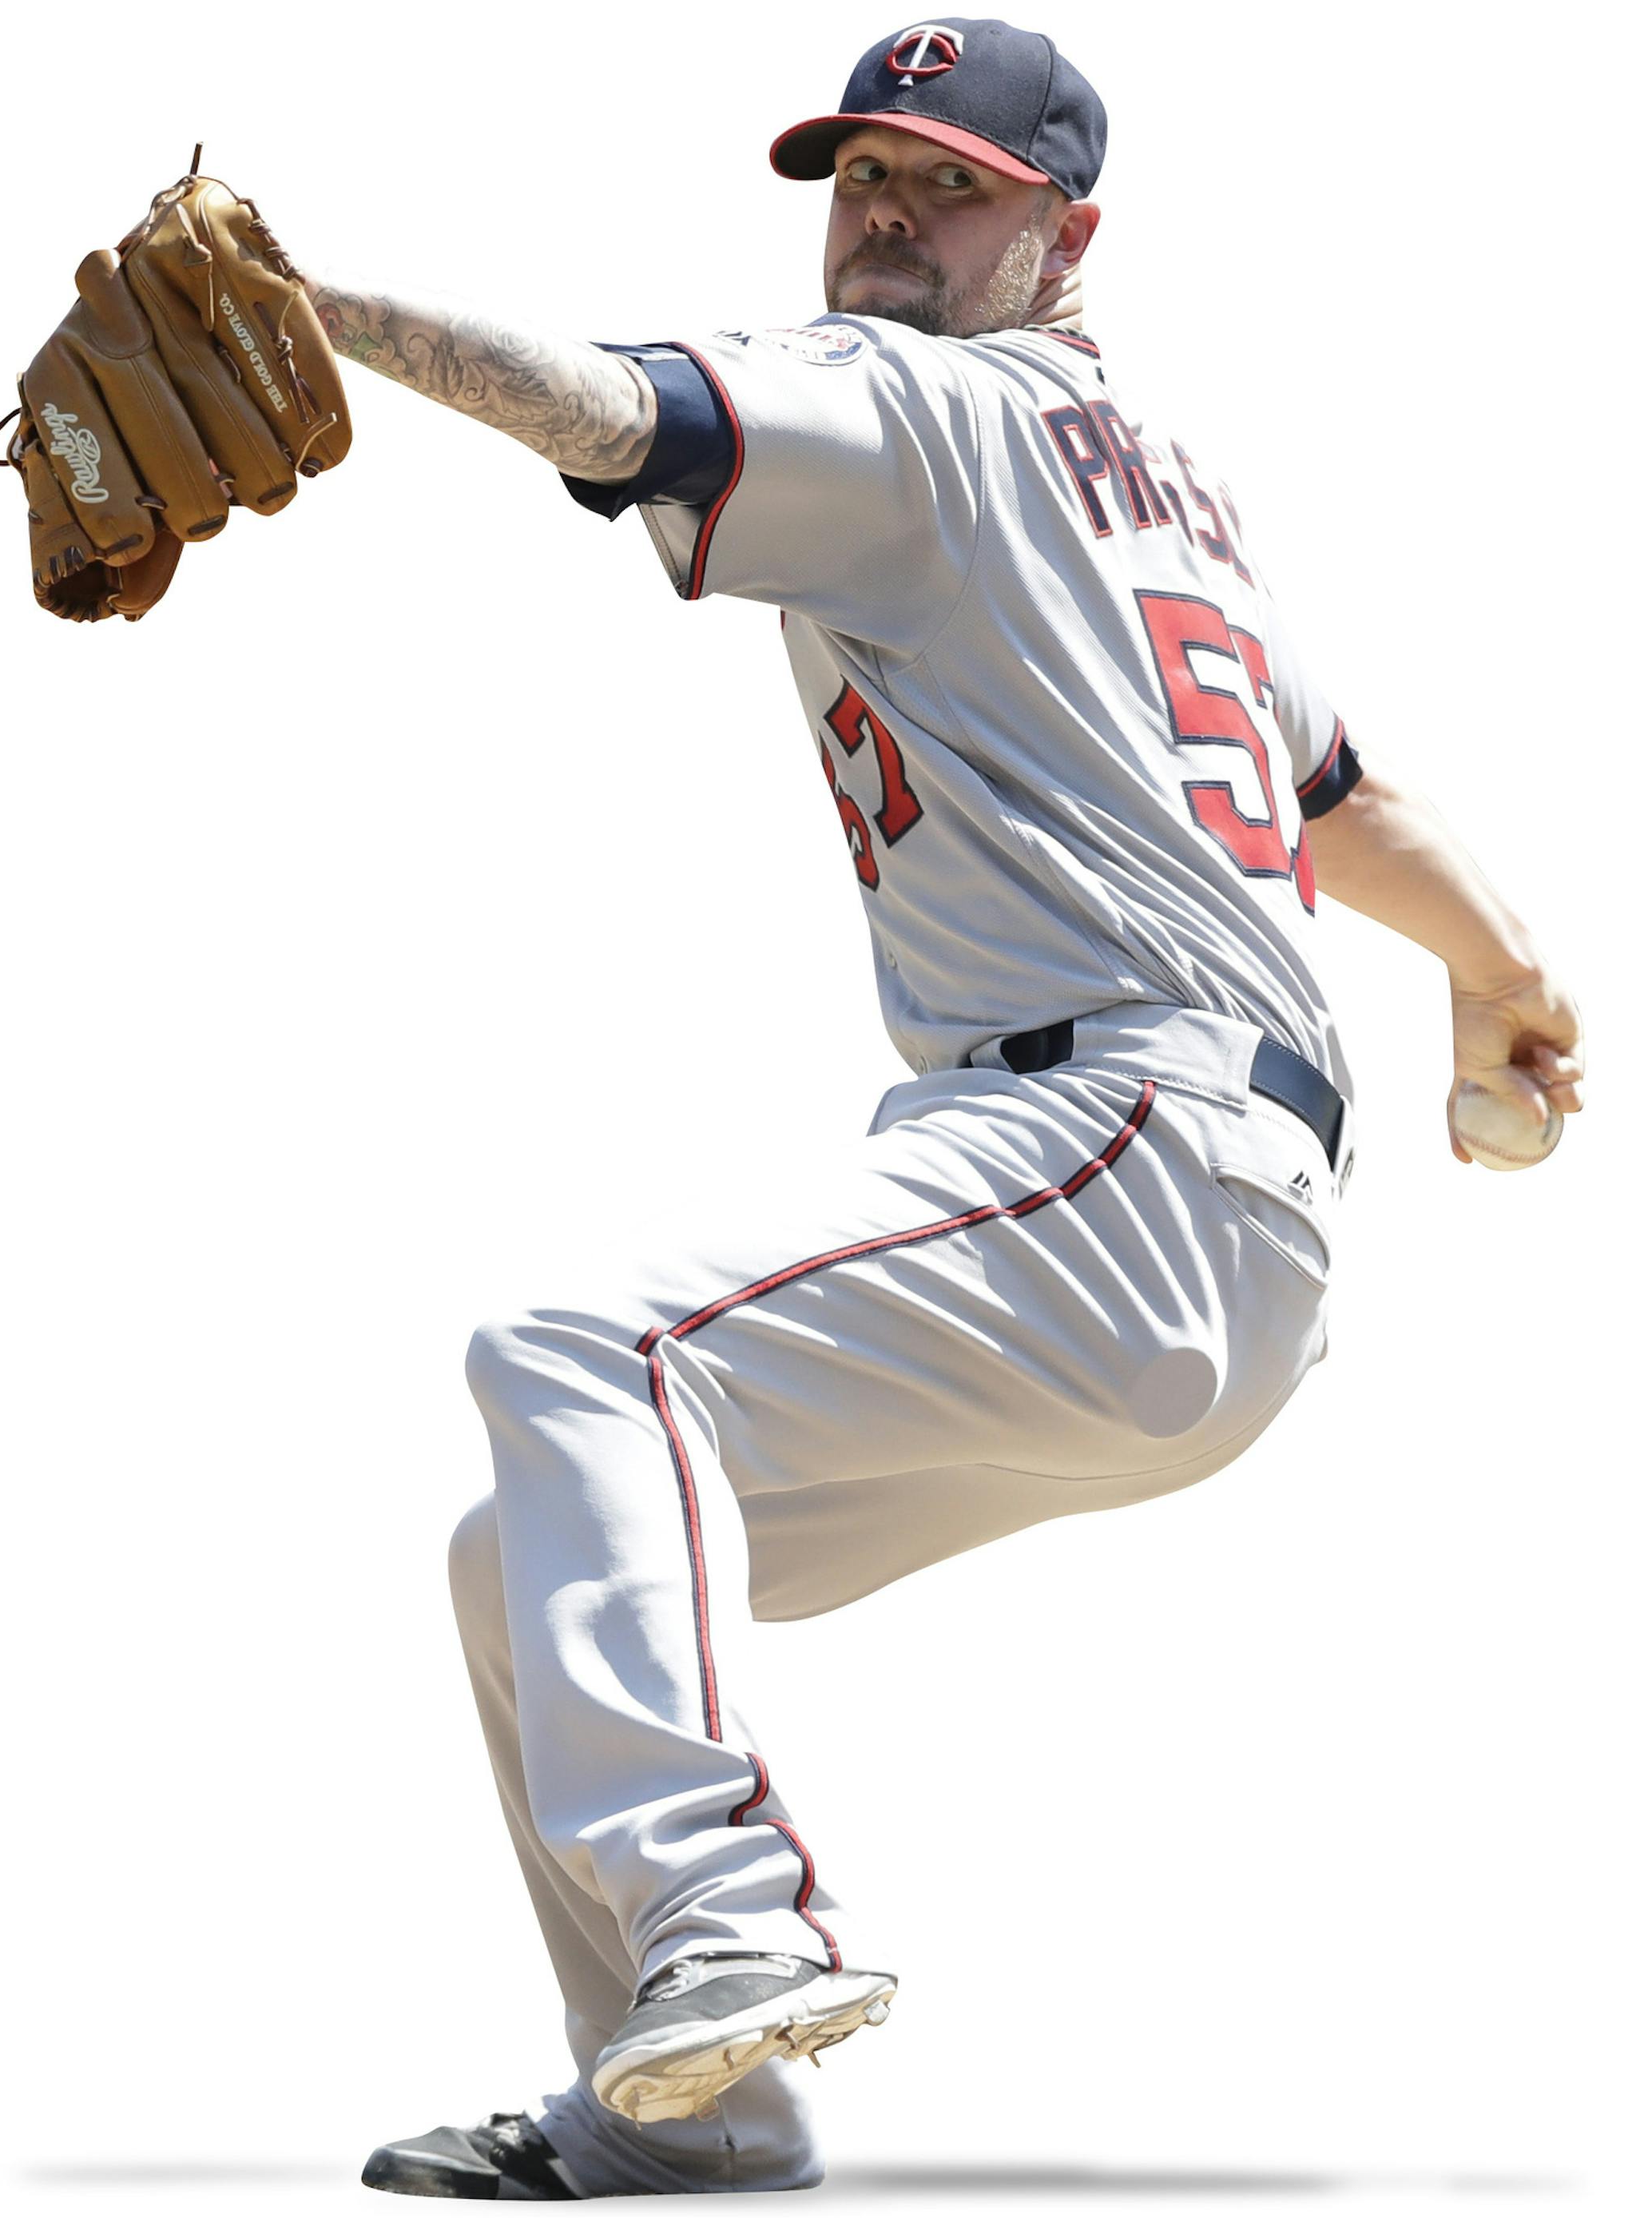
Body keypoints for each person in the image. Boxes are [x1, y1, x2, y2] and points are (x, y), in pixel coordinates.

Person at [306, 19, 1586, 2201]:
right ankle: (693, 2117)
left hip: (1120, 1151)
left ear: (1065, 236)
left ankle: (731, 1927)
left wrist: (310, 310)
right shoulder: (1150, 479)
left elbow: (628, 414)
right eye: (862, 173)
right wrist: (1507, 982)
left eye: (951, 183)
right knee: (520, 1548)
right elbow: (1329, 796)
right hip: (1197, 1231)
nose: (889, 211)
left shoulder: (918, 406)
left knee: (574, 1353)